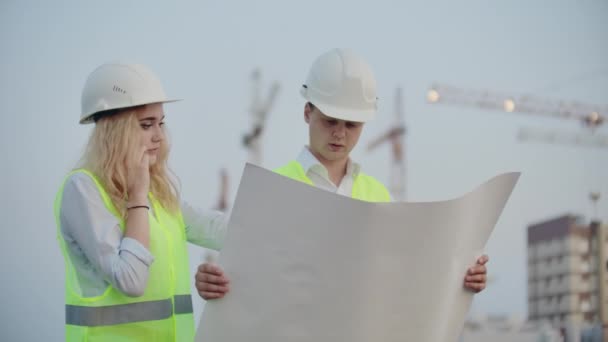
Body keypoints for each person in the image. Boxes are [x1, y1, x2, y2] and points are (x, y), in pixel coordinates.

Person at [194, 48, 488, 301]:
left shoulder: (377, 195)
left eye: (352, 125)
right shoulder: (273, 189)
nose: (339, 134)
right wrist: (214, 282)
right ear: (308, 112)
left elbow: (402, 274)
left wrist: (461, 276)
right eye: (331, 121)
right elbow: (245, 274)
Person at [54, 62, 226, 341]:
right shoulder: (83, 189)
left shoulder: (155, 194)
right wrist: (137, 197)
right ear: (113, 130)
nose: (159, 136)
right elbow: (131, 280)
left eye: (161, 123)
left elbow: (218, 229)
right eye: (146, 125)